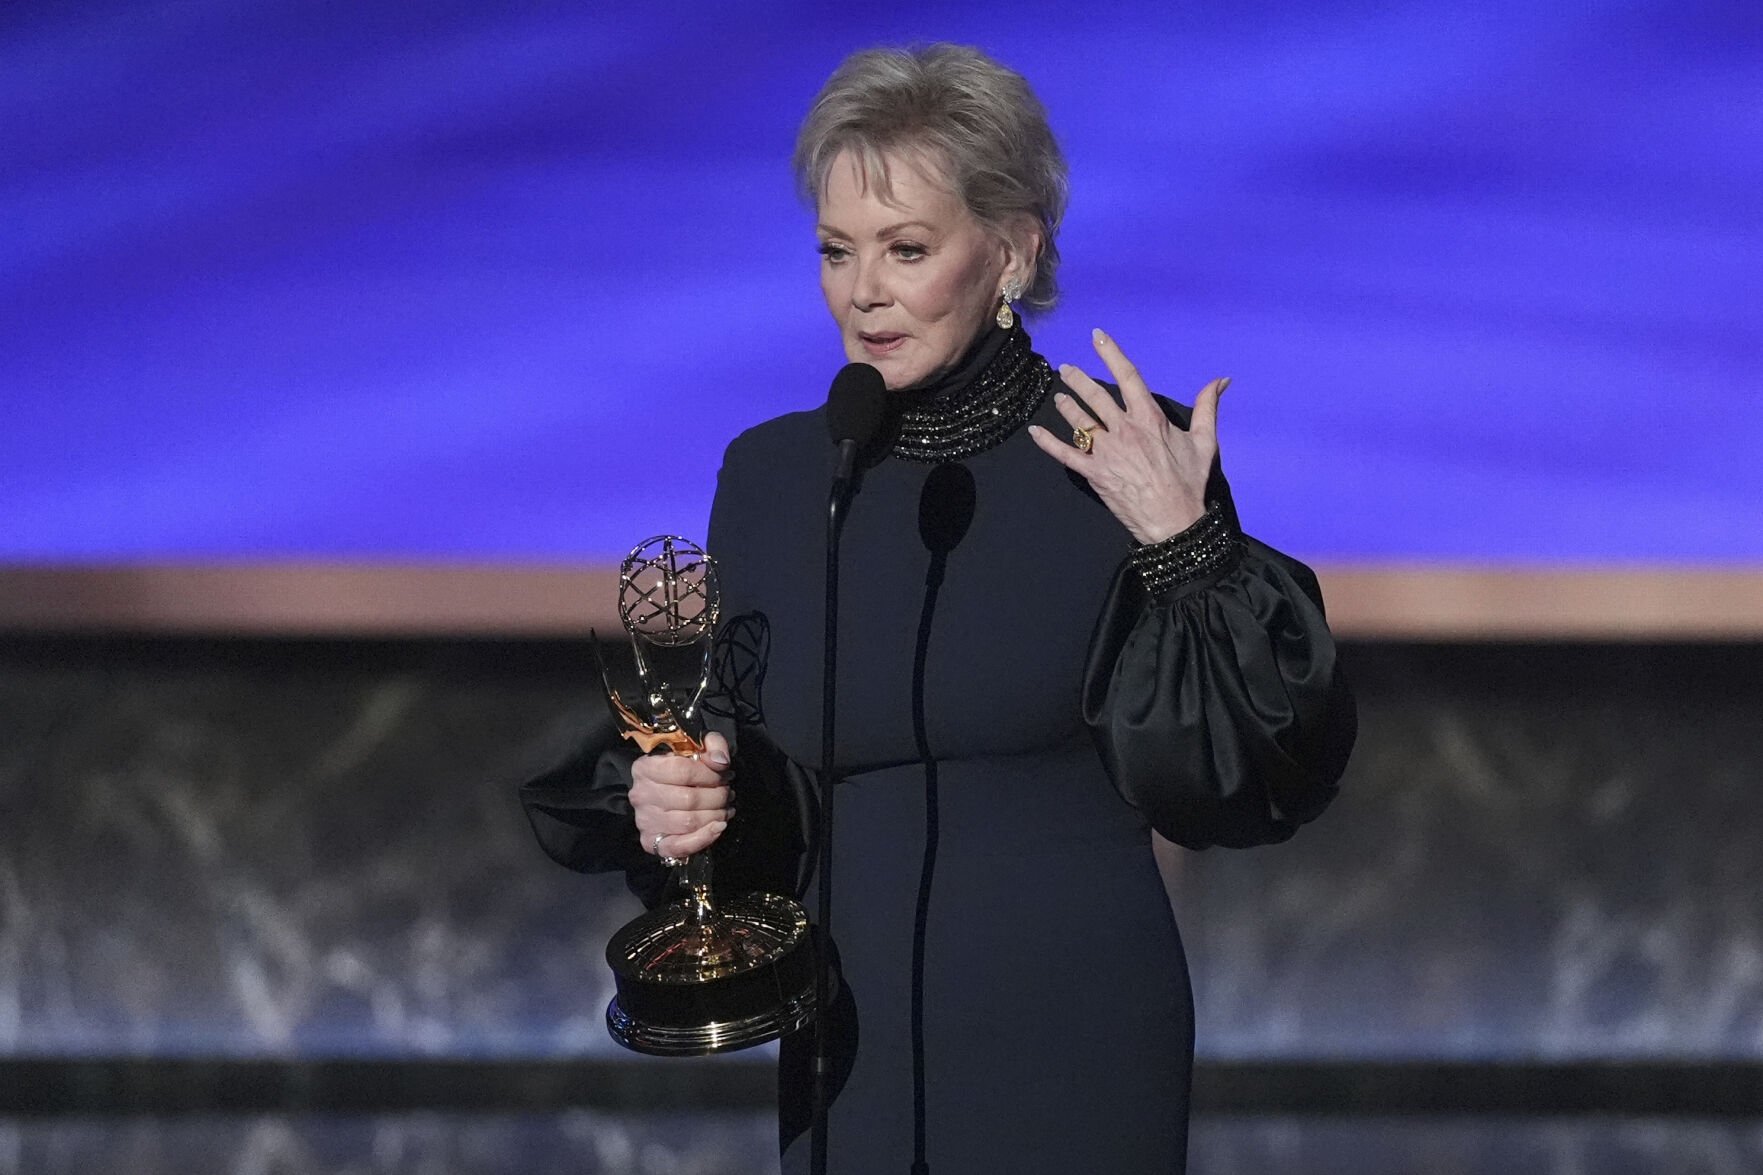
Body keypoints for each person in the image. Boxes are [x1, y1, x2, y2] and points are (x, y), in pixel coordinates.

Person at [522, 43, 1356, 1174]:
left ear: (1011, 252)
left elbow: (1247, 778)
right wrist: (685, 798)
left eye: (905, 249)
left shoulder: (1120, 451)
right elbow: (743, 756)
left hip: (1075, 1033)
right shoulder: (776, 477)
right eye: (836, 250)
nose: (862, 290)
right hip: (847, 1039)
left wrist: (1185, 542)